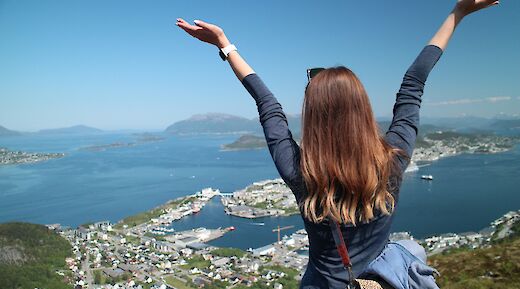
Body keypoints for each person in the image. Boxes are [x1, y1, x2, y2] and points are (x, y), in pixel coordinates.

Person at [177, 1, 499, 288]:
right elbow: (413, 83)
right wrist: (458, 13)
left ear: (312, 117)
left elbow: (268, 105)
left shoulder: (301, 173)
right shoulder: (392, 161)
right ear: (363, 109)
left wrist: (225, 44)